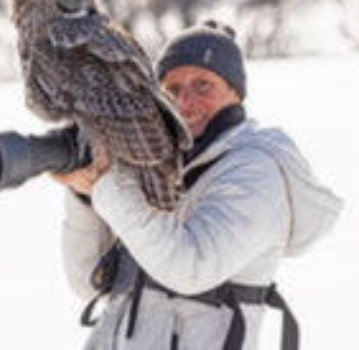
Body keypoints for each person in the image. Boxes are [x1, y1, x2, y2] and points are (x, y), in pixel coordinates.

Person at [49, 22, 342, 349]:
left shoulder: (256, 171)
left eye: (203, 85)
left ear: (235, 92)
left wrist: (107, 188)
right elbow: (89, 283)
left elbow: (190, 268)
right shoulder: (155, 168)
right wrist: (84, 196)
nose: (185, 102)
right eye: (172, 90)